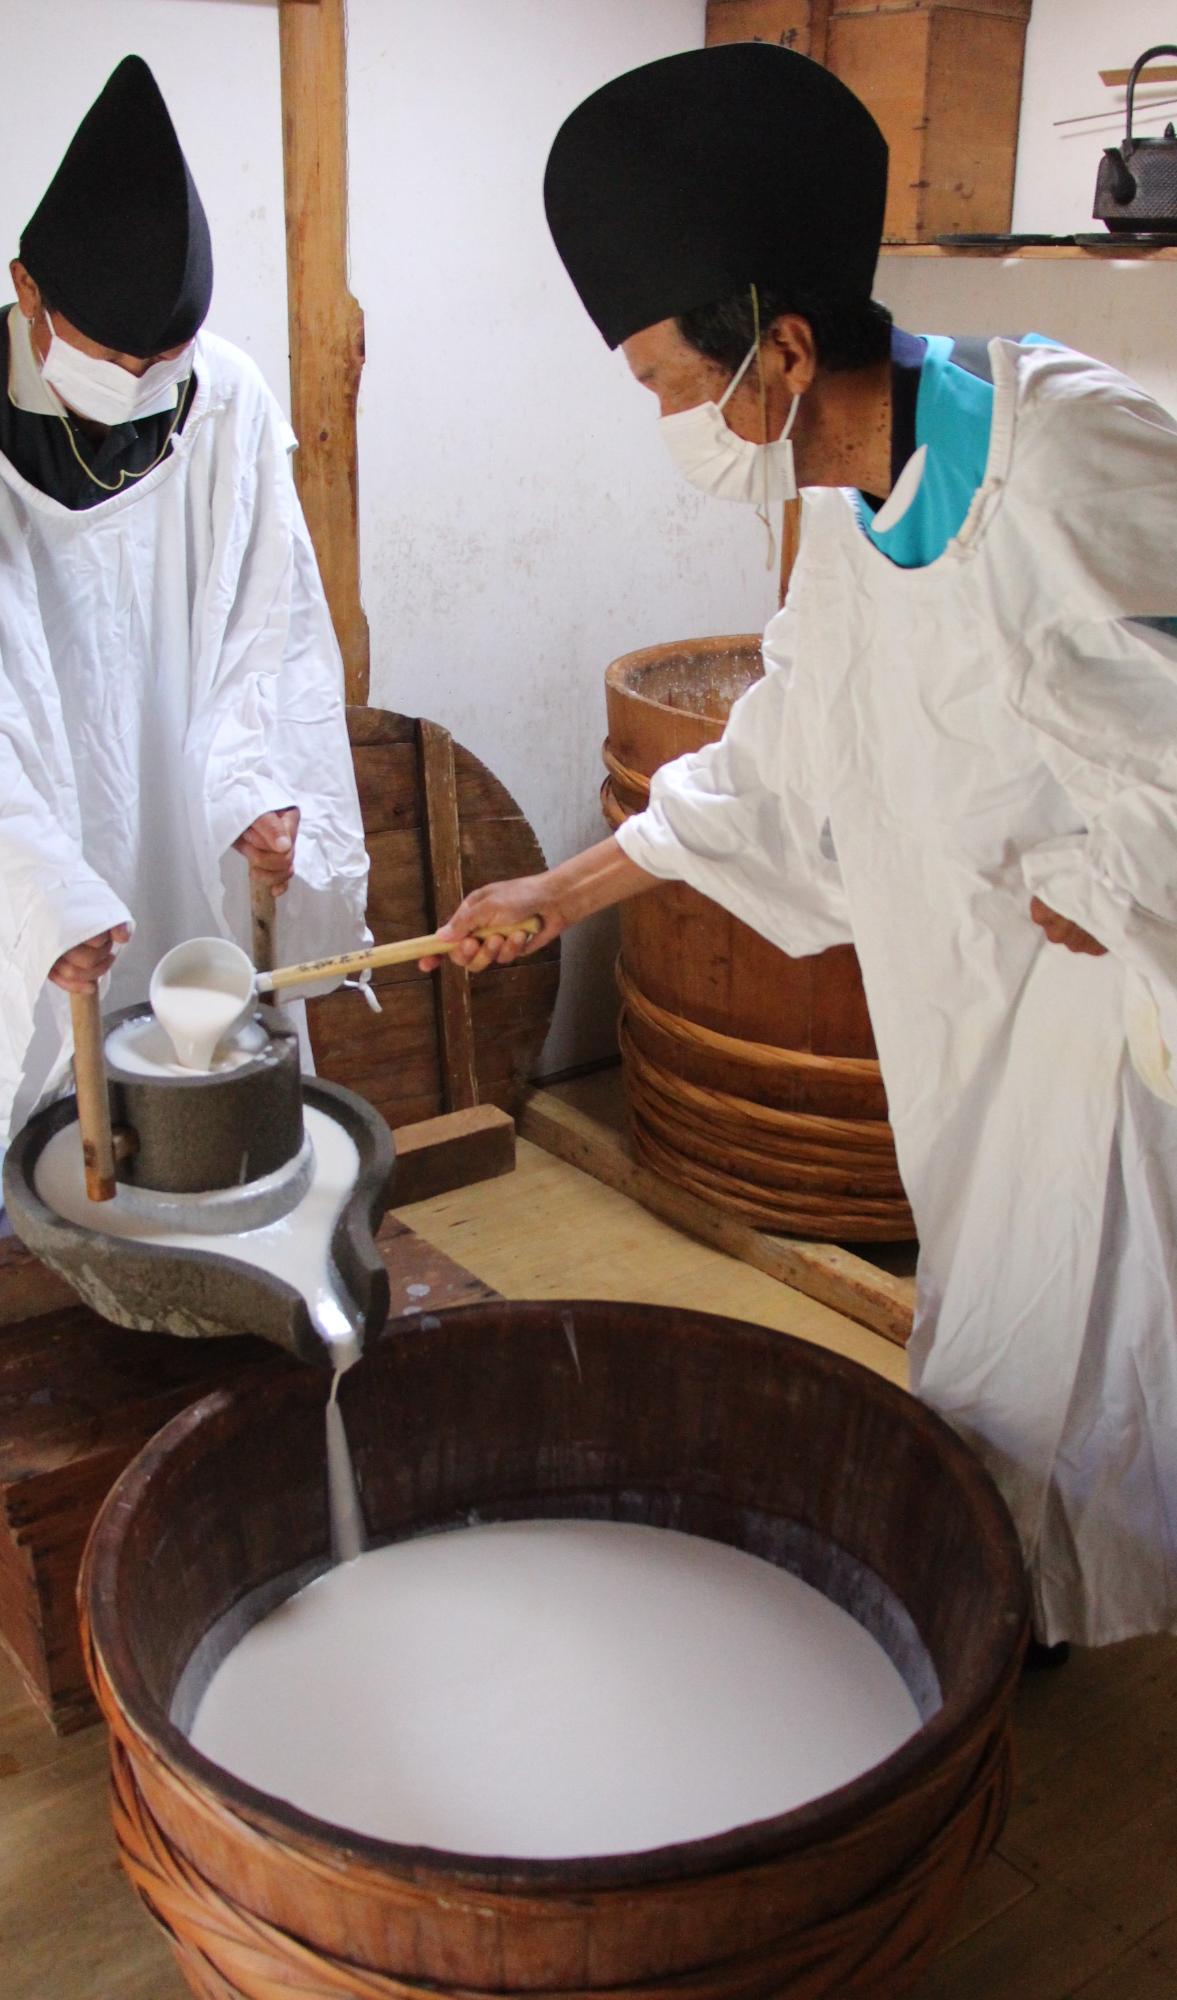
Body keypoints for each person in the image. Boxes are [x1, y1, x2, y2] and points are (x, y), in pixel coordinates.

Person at [427, 43, 1177, 1651]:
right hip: (966, 1024)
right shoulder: (845, 498)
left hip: (1111, 1025)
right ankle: (1028, 1615)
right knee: (1009, 1333)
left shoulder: (1065, 448)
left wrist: (1122, 880)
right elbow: (781, 762)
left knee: (1090, 1339)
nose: (669, 422)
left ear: (773, 347)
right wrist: (558, 894)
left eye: (665, 385)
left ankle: (1012, 1633)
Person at [0, 56, 368, 1259]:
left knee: (225, 1127)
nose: (143, 389)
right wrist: (38, 882)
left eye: (164, 362)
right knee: (41, 1122)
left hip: (186, 838)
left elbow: (272, 627)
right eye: (110, 357)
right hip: (36, 819)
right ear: (25, 293)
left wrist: (261, 779)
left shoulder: (223, 397)